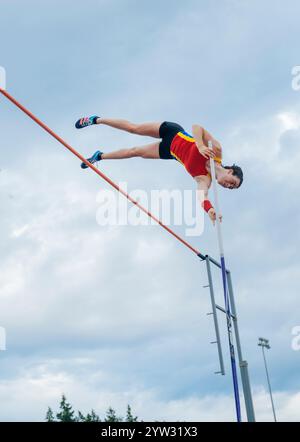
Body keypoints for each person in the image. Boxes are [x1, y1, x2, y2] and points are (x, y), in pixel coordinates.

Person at [75, 116, 243, 224]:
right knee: (134, 128)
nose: (229, 187)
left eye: (231, 188)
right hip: (173, 132)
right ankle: (97, 120)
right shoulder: (216, 151)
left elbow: (201, 196)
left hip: (169, 151)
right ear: (230, 171)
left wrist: (210, 210)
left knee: (135, 152)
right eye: (232, 183)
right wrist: (199, 145)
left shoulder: (204, 179)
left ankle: (99, 156)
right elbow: (197, 127)